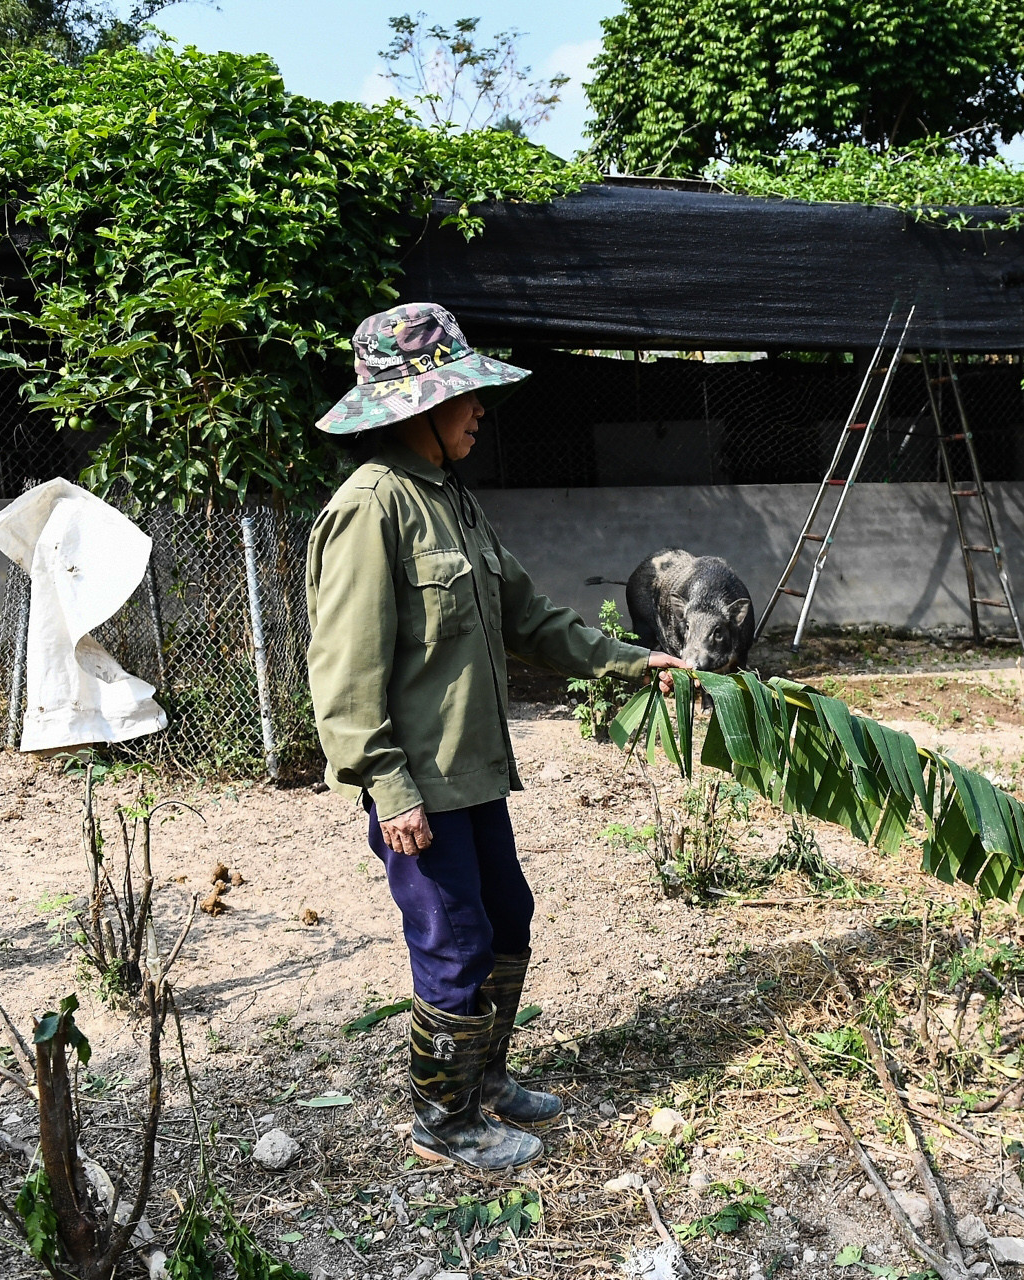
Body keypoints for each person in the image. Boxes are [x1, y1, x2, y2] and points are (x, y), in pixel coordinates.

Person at [305, 303, 690, 1171]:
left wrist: (632, 662)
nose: (480, 409)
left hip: (474, 770)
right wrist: (385, 784)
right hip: (422, 785)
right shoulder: (372, 509)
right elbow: (344, 668)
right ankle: (442, 1119)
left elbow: (531, 617)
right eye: (464, 395)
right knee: (452, 939)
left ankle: (485, 1081)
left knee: (506, 916)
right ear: (415, 411)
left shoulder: (451, 501)